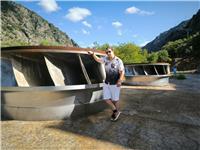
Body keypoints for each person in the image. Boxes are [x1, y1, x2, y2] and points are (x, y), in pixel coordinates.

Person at [88, 47, 124, 121]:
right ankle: (116, 111)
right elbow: (98, 60)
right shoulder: (105, 59)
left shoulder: (118, 61)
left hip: (115, 84)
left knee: (115, 100)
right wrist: (93, 54)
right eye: (106, 52)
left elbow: (122, 72)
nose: (108, 53)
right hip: (107, 83)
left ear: (113, 51)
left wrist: (120, 80)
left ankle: (115, 114)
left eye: (109, 52)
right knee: (106, 99)